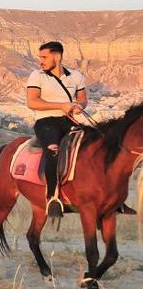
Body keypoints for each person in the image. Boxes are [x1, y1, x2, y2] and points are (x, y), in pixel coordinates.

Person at [26, 41, 86, 218]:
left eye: (44, 57)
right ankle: (52, 198)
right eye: (40, 57)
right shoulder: (37, 76)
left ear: (57, 57)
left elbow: (83, 98)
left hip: (69, 121)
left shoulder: (76, 76)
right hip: (46, 122)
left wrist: (78, 106)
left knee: (98, 144)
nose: (41, 61)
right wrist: (61, 105)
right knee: (53, 150)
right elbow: (32, 102)